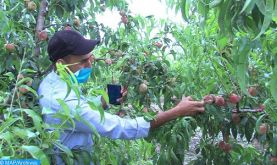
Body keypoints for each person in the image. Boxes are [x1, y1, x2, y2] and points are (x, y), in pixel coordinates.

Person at [38, 30, 205, 164]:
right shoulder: (60, 99)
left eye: (90, 58)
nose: (89, 64)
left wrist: (104, 102)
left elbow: (80, 111)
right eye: (83, 61)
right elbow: (121, 127)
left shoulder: (55, 80)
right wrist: (177, 111)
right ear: (61, 64)